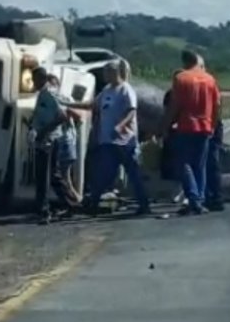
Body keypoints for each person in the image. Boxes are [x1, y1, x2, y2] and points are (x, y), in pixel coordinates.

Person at [84, 61, 151, 216]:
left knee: (133, 173)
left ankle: (144, 204)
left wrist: (121, 126)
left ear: (115, 73)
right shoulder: (106, 91)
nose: (104, 76)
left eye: (107, 73)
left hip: (124, 141)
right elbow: (94, 105)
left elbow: (131, 111)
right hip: (107, 140)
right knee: (103, 173)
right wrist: (72, 104)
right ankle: (93, 203)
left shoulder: (126, 90)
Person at [162, 49, 220, 216]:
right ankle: (199, 199)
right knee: (199, 166)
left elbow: (175, 106)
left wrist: (166, 125)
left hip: (186, 126)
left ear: (185, 62)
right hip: (205, 126)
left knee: (184, 164)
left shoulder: (181, 79)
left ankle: (193, 198)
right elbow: (217, 104)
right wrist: (213, 124)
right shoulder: (209, 79)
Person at [29, 67, 79, 223]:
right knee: (52, 176)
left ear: (42, 79)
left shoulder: (49, 94)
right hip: (45, 140)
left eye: (35, 79)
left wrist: (43, 131)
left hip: (49, 140)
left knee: (43, 177)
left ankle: (44, 211)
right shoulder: (42, 95)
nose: (33, 82)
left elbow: (62, 116)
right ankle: (70, 204)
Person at [45, 73, 83, 206]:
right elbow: (77, 117)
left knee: (64, 177)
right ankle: (74, 201)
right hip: (67, 141)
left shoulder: (56, 98)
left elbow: (68, 115)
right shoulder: (63, 97)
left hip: (64, 142)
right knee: (64, 177)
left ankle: (75, 202)